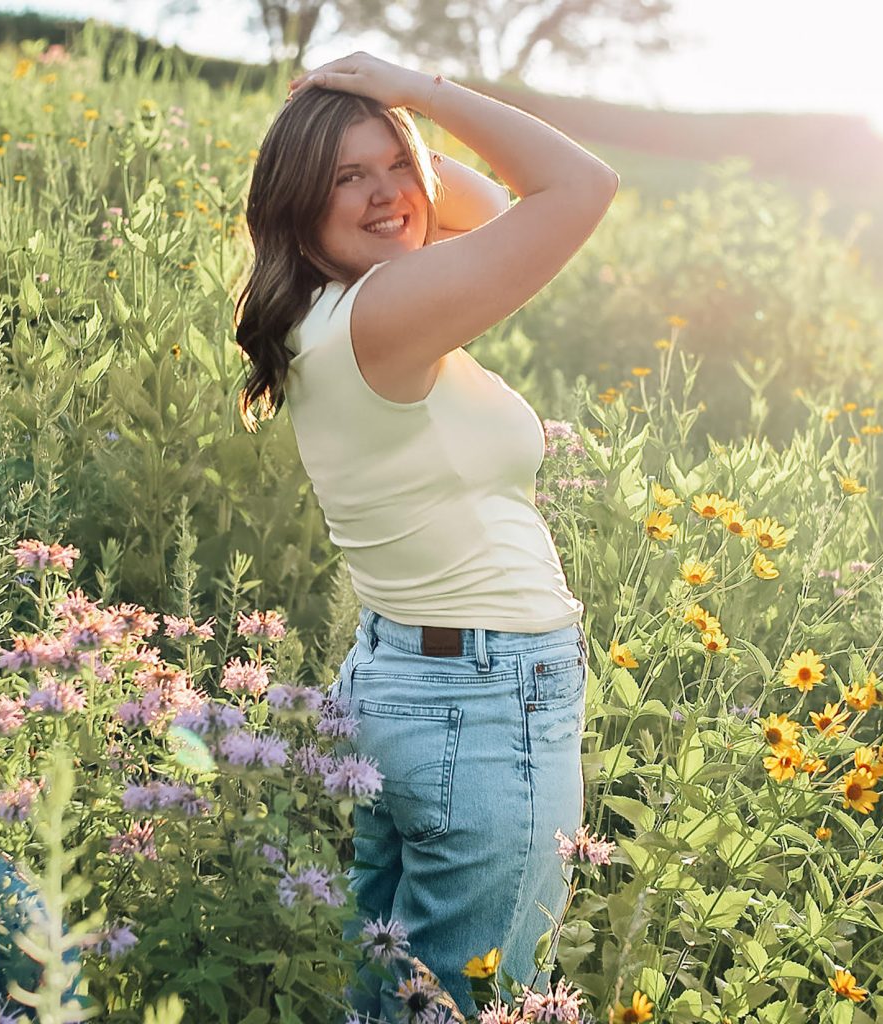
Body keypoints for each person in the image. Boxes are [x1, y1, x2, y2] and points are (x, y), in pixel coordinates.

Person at [235, 52, 618, 1021]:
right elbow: (575, 187)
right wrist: (418, 93)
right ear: (295, 206)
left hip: (420, 687)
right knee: (472, 1002)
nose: (384, 198)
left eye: (392, 167)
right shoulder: (385, 313)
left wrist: (380, 144)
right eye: (342, 179)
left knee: (395, 994)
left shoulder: (325, 314)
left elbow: (481, 210)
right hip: (481, 706)